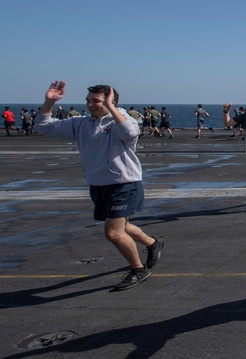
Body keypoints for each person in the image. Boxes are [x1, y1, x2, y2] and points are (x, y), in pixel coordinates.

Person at [34, 81, 163, 291]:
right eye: (88, 101)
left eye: (96, 101)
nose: (90, 105)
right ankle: (152, 243)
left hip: (124, 183)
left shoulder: (122, 119)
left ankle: (138, 269)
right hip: (98, 184)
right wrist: (49, 101)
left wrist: (112, 108)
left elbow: (130, 134)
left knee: (113, 233)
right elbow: (43, 126)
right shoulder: (81, 123)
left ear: (111, 102)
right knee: (123, 226)